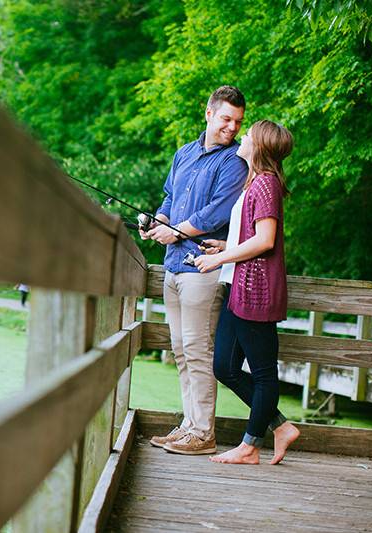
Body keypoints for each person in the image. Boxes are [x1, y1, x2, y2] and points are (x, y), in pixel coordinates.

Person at [141, 86, 248, 455]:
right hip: (173, 266)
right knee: (180, 350)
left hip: (203, 268)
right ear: (208, 113)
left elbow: (217, 213)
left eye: (237, 122)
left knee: (198, 349)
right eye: (225, 119)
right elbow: (170, 197)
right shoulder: (183, 154)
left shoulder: (235, 162)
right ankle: (189, 426)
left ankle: (204, 434)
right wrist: (159, 221)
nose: (232, 128)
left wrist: (177, 231)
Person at [194, 120, 300, 464]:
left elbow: (265, 241)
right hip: (237, 287)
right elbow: (252, 237)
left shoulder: (265, 185)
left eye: (248, 134)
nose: (242, 137)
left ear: (260, 147)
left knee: (264, 373)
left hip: (256, 292)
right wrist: (224, 247)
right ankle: (280, 426)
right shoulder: (254, 183)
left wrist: (221, 258)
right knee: (224, 366)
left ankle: (250, 446)